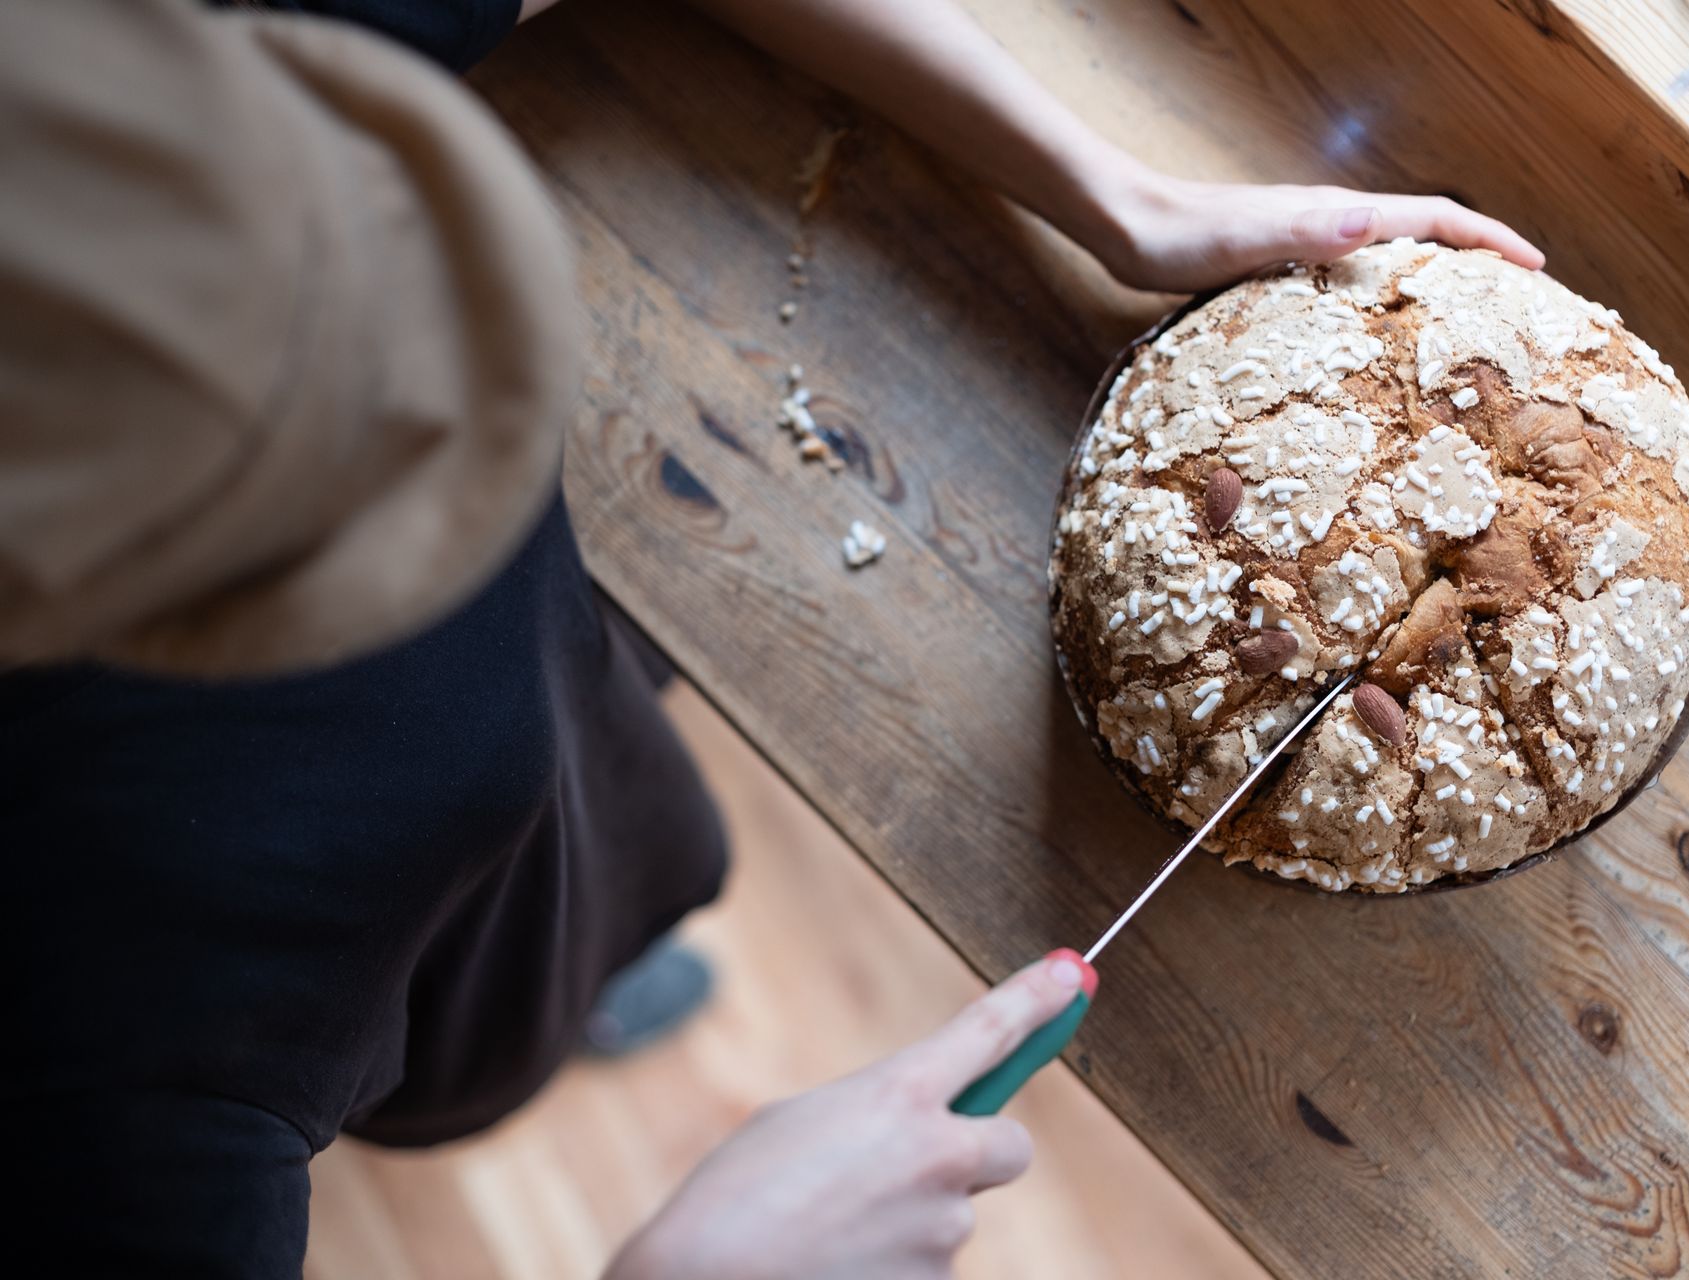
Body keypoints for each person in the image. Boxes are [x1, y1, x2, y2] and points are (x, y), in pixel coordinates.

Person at [0, 1, 1541, 1275]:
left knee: (585, 815)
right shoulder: (109, 1091)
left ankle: (563, 946)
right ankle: (469, 1053)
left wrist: (1110, 193)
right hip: (340, 996)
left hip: (519, 691)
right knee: (451, 1036)